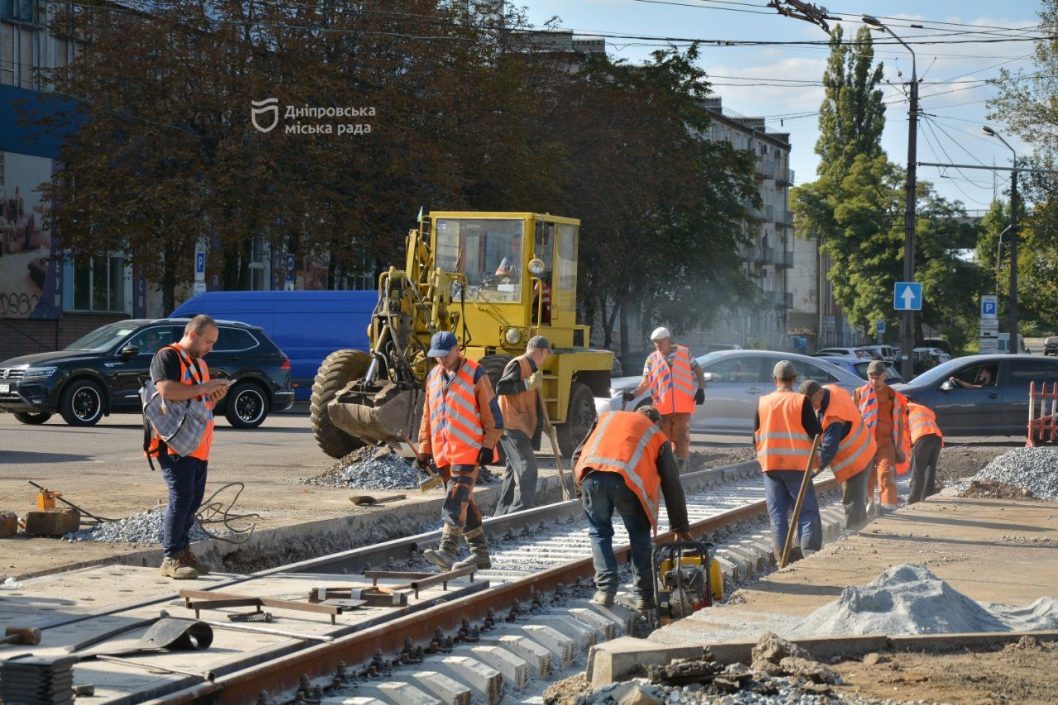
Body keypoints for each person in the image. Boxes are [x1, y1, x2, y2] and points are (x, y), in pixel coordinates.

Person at [573, 406, 692, 610]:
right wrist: (679, 526)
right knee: (639, 535)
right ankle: (644, 597)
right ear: (656, 423)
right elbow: (672, 483)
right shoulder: (656, 434)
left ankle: (605, 591)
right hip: (627, 482)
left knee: (599, 532)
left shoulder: (606, 418)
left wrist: (579, 491)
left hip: (590, 475)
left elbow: (577, 455)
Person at [148, 315, 230, 579]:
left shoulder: (200, 365)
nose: (210, 348)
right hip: (173, 444)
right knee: (181, 498)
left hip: (196, 445)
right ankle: (171, 558)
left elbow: (200, 406)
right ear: (193, 335)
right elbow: (167, 390)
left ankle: (182, 552)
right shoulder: (167, 357)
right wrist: (205, 387)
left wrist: (212, 396)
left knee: (192, 500)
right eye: (208, 341)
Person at [418, 331, 504, 571]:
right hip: (443, 453)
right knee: (465, 502)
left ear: (458, 350)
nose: (442, 360)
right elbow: (428, 415)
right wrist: (424, 448)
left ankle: (447, 551)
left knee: (455, 499)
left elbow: (492, 414)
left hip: (469, 450)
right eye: (437, 356)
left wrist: (488, 445)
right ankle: (480, 555)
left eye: (445, 355)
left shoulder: (476, 373)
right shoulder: (433, 376)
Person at [754, 360, 824, 562]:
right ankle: (810, 555)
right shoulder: (801, 401)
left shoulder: (762, 402)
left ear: (775, 380)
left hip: (770, 466)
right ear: (794, 379)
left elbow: (755, 437)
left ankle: (781, 559)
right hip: (797, 466)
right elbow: (816, 434)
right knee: (807, 511)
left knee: (778, 515)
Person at [623, 328, 706, 473]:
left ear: (668, 340)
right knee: (663, 442)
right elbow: (645, 383)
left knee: (682, 441)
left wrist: (701, 389)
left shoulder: (684, 353)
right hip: (662, 409)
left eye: (660, 342)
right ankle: (668, 472)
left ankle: (682, 471)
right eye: (655, 343)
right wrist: (633, 394)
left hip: (682, 407)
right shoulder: (651, 359)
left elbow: (698, 371)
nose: (658, 345)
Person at [799, 380, 876, 531]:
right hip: (864, 446)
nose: (812, 407)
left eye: (812, 402)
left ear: (820, 394)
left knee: (852, 497)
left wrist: (810, 473)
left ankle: (853, 532)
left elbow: (828, 451)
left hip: (857, 457)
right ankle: (860, 526)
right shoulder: (830, 389)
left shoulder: (834, 417)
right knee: (856, 496)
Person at [493, 336, 550, 515]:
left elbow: (531, 401)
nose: (546, 357)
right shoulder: (518, 364)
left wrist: (546, 426)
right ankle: (520, 512)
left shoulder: (533, 368)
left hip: (520, 425)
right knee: (528, 465)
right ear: (540, 350)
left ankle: (502, 514)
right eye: (546, 353)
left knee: (512, 471)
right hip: (512, 425)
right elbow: (501, 388)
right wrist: (526, 384)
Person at [854, 360, 908, 512]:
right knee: (867, 477)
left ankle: (888, 507)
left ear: (884, 376)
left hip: (885, 443)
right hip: (866, 443)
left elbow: (898, 422)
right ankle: (868, 505)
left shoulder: (892, 395)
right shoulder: (859, 393)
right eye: (871, 377)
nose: (874, 381)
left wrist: (897, 447)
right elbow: (853, 419)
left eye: (877, 377)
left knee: (885, 473)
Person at [907, 401, 944, 504]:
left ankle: (913, 501)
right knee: (930, 470)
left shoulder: (904, 409)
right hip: (937, 439)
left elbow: (904, 432)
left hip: (922, 439)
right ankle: (928, 497)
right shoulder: (924, 409)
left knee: (917, 471)